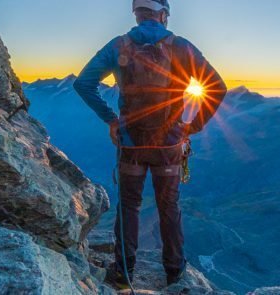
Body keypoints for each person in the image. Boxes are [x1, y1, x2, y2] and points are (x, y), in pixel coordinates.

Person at [74, 0, 227, 289]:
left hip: (130, 143)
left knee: (129, 205)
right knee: (168, 206)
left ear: (136, 13)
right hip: (169, 145)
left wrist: (112, 120)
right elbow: (217, 87)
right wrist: (191, 126)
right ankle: (174, 273)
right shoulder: (181, 46)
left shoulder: (119, 45)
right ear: (164, 15)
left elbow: (83, 84)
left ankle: (123, 273)